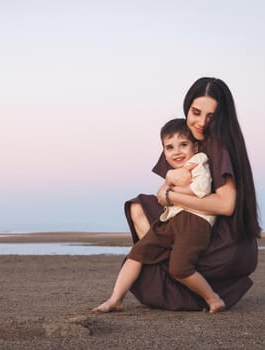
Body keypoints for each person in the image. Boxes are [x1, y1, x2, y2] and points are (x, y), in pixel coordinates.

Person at [124, 77, 261, 311]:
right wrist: (170, 193)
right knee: (139, 206)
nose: (201, 123)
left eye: (211, 116)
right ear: (187, 106)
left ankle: (176, 275)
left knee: (146, 212)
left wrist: (170, 196)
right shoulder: (184, 138)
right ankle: (175, 270)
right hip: (204, 226)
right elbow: (177, 182)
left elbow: (227, 204)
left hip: (224, 240)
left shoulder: (218, 144)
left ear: (221, 118)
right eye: (196, 112)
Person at [93, 118, 225, 314]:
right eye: (169, 147)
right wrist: (169, 185)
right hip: (170, 221)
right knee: (135, 255)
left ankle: (212, 298)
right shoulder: (175, 171)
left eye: (183, 144)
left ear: (195, 147)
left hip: (194, 221)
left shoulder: (198, 161)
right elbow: (163, 195)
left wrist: (172, 191)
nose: (177, 151)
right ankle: (116, 299)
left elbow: (201, 189)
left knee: (180, 268)